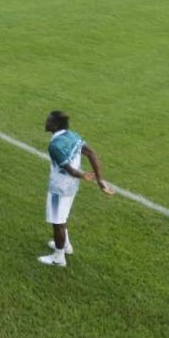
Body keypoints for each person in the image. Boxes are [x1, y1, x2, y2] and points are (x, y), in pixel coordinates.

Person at [38, 110, 113, 267]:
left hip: (59, 189)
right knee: (62, 217)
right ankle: (66, 246)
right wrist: (99, 179)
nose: (46, 123)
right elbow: (91, 153)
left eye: (49, 121)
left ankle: (58, 258)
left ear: (56, 125)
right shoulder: (73, 135)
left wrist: (82, 174)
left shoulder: (54, 146)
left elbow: (69, 170)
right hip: (72, 188)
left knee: (57, 222)